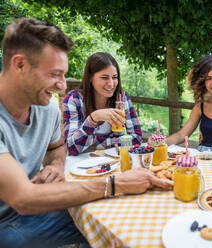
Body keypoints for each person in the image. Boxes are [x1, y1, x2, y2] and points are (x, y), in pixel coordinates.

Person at [0, 18, 171, 248]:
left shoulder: (48, 108)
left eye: (64, 75)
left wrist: (56, 166)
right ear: (19, 64)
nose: (62, 85)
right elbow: (23, 198)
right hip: (7, 224)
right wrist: (114, 184)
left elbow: (58, 147)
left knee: (112, 222)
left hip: (40, 211)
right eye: (55, 74)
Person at [62, 52, 142, 155]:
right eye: (104, 77)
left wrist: (99, 143)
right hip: (82, 164)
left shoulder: (121, 98)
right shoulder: (73, 99)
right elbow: (72, 148)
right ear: (90, 78)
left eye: (114, 77)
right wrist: (92, 118)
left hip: (115, 162)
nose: (111, 84)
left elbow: (136, 139)